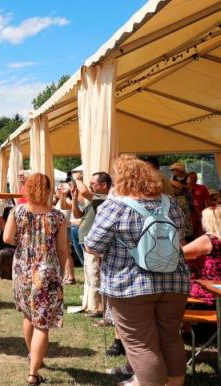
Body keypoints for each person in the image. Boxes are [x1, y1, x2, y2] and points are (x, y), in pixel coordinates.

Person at [85, 155, 189, 386]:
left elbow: (93, 246)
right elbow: (180, 238)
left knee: (142, 344)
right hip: (174, 281)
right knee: (171, 338)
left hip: (130, 284)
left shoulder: (115, 206)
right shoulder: (168, 203)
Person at [3, 173, 68, 385]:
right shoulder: (57, 216)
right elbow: (62, 249)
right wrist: (63, 268)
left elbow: (6, 238)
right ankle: (33, 372)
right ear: (49, 190)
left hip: (22, 269)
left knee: (28, 315)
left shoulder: (17, 211)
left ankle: (34, 357)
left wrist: (24, 243)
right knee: (43, 322)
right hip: (47, 271)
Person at [71, 171, 112, 318]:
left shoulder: (104, 198)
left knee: (94, 273)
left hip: (94, 243)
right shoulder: (95, 200)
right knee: (89, 274)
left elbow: (84, 190)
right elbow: (77, 214)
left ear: (104, 185)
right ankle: (91, 305)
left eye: (93, 183)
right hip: (86, 241)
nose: (90, 186)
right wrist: (74, 197)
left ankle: (99, 308)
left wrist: (77, 179)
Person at [183, 206, 221, 306]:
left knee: (175, 286)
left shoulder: (210, 239)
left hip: (212, 289)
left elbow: (178, 254)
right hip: (216, 287)